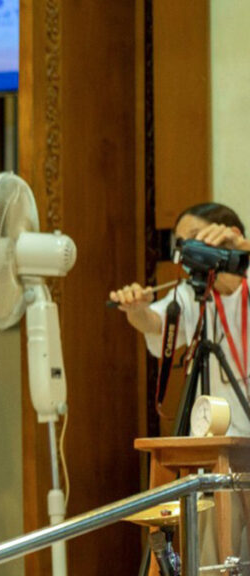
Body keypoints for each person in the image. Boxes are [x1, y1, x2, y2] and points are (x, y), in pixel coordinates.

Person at [109, 202, 250, 563]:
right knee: (222, 558)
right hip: (226, 453)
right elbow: (158, 325)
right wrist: (136, 310)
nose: (186, 256)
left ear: (228, 235)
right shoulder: (195, 294)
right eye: (181, 246)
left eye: (193, 242)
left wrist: (244, 251)